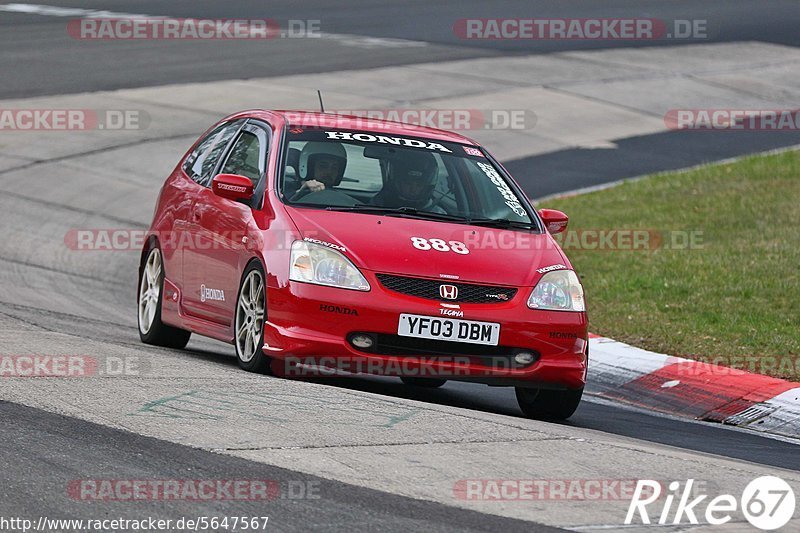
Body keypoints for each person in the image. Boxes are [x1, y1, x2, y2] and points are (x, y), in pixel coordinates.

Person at [372, 150, 444, 213]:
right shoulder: (377, 206)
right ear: (398, 183)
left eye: (419, 185)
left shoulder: (438, 213)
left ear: (426, 186)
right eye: (408, 184)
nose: (413, 189)